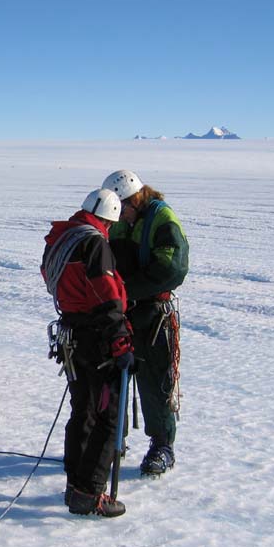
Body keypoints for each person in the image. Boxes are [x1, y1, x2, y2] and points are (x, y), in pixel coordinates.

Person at [42, 188, 133, 517]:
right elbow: (106, 296)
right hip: (97, 340)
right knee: (107, 418)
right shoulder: (94, 243)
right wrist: (120, 341)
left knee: (83, 410)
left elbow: (51, 276)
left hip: (72, 335)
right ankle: (89, 492)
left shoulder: (60, 239)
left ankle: (74, 482)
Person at [102, 169, 189, 476]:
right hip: (121, 311)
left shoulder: (161, 218)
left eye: (122, 207)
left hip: (151, 313)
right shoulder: (120, 221)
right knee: (110, 378)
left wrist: (127, 291)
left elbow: (172, 268)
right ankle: (112, 440)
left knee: (155, 380)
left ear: (135, 199)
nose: (119, 214)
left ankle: (162, 445)